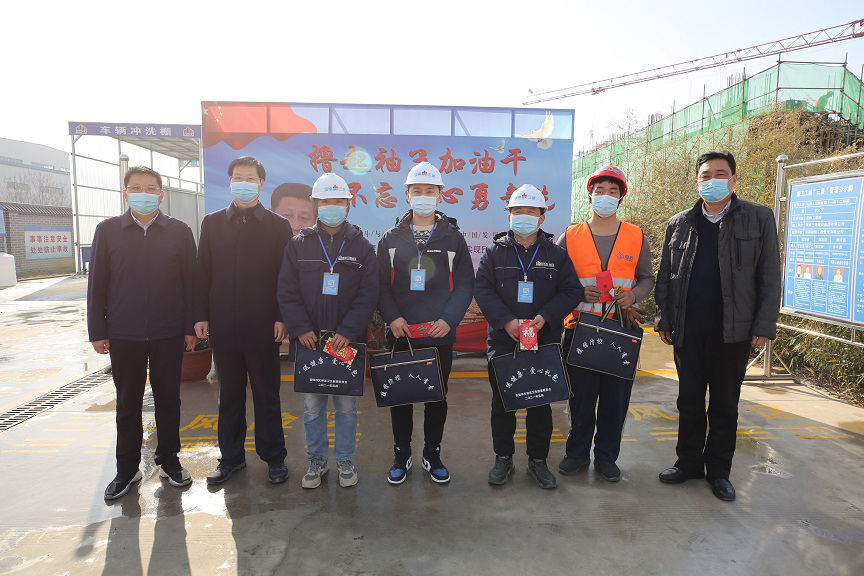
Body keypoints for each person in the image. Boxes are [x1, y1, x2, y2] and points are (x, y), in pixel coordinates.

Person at [655, 151, 780, 502]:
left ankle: (719, 472)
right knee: (689, 400)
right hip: (688, 328)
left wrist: (763, 324)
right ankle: (688, 463)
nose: (713, 180)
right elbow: (666, 276)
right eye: (706, 175)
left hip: (733, 331)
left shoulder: (758, 218)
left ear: (734, 179)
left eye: (721, 174)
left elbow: (770, 275)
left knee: (725, 404)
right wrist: (664, 319)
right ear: (697, 181)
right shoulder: (679, 223)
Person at [87, 166, 197, 499]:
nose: (143, 194)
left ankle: (169, 461)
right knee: (128, 403)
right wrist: (97, 330)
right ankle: (127, 469)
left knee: (168, 400)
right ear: (126, 193)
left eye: (150, 188)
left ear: (161, 195)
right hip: (124, 333)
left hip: (168, 332)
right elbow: (97, 284)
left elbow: (191, 283)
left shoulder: (179, 231)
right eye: (136, 188)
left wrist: (190, 328)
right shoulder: (108, 231)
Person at [474, 184, 582, 489]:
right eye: (517, 211)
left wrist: (545, 317)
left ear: (542, 217)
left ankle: (538, 461)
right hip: (504, 342)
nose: (523, 216)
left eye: (530, 211)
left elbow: (571, 290)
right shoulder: (494, 253)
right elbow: (483, 289)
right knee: (503, 404)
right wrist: (506, 321)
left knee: (540, 404)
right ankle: (503, 458)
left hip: (543, 342)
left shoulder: (556, 255)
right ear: (509, 215)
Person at [195, 156, 293, 486]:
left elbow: (285, 277)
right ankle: (231, 458)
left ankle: (274, 457)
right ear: (230, 182)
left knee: (267, 397)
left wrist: (281, 316)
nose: (244, 183)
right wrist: (200, 315)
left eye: (250, 179)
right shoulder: (212, 223)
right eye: (238, 178)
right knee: (229, 398)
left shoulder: (277, 226)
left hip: (264, 327)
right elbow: (202, 272)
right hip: (224, 326)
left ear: (261, 184)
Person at [278, 172, 378, 489]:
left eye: (338, 201)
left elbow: (369, 293)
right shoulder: (298, 245)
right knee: (312, 406)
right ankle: (317, 461)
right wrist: (300, 329)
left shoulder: (362, 247)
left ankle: (345, 461)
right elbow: (287, 291)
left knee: (346, 407)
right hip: (310, 341)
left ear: (347, 205)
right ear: (316, 204)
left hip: (345, 341)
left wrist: (348, 330)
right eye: (325, 201)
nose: (331, 206)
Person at [376, 162, 475, 485]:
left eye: (429, 191)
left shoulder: (453, 238)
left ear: (440, 195)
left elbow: (465, 284)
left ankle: (432, 454)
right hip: (401, 333)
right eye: (417, 190)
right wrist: (392, 317)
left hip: (438, 334)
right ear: (407, 194)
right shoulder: (391, 239)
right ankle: (401, 454)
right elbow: (380, 286)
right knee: (401, 397)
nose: (423, 196)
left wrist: (449, 320)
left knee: (437, 398)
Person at [557, 164, 654, 482]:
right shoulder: (570, 236)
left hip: (621, 330)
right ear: (590, 195)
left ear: (621, 197)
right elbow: (555, 281)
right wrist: (577, 292)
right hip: (580, 329)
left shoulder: (635, 236)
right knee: (580, 399)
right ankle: (576, 453)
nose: (606, 196)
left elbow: (647, 278)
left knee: (615, 400)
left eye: (613, 191)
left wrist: (634, 296)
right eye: (600, 191)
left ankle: (607, 457)